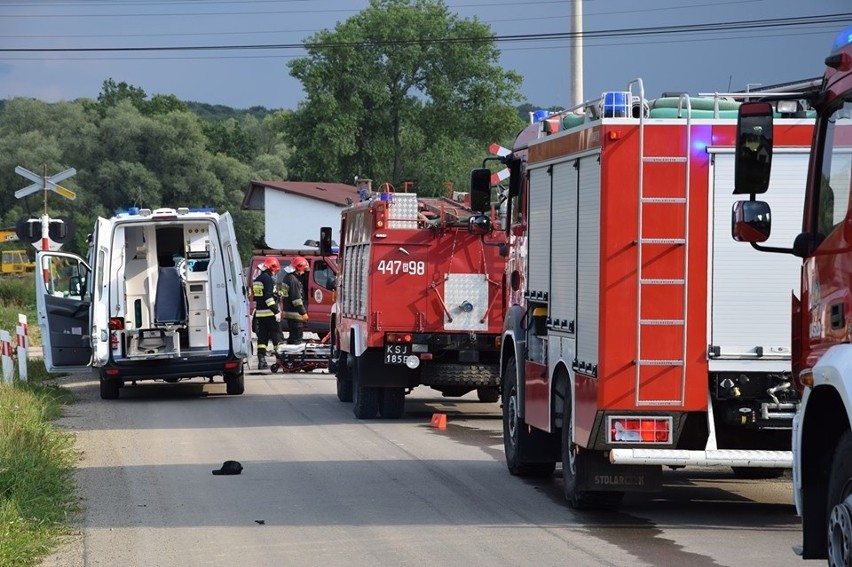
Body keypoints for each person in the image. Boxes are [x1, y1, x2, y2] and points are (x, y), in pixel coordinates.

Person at [252, 257, 285, 369]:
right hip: (270, 314)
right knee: (277, 337)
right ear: (272, 268)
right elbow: (268, 297)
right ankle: (281, 360)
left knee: (262, 338)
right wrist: (276, 311)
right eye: (275, 271)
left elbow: (258, 297)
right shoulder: (268, 279)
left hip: (260, 314)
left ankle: (261, 361)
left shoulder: (257, 279)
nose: (275, 273)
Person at [281, 256, 310, 345]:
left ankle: (289, 356)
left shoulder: (288, 277)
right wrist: (303, 313)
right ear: (299, 268)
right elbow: (296, 299)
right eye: (304, 270)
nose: (304, 273)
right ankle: (294, 357)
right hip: (295, 314)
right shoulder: (294, 280)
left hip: (289, 313)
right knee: (297, 339)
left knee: (292, 337)